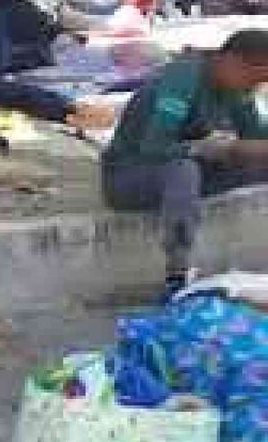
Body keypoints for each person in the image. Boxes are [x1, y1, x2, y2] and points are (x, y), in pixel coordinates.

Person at [101, 29, 268, 300]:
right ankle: (177, 277)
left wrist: (246, 149)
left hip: (193, 172)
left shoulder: (236, 89)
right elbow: (153, 148)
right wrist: (217, 148)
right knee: (183, 170)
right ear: (232, 62)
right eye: (255, 79)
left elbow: (257, 136)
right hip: (131, 175)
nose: (255, 88)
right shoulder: (183, 78)